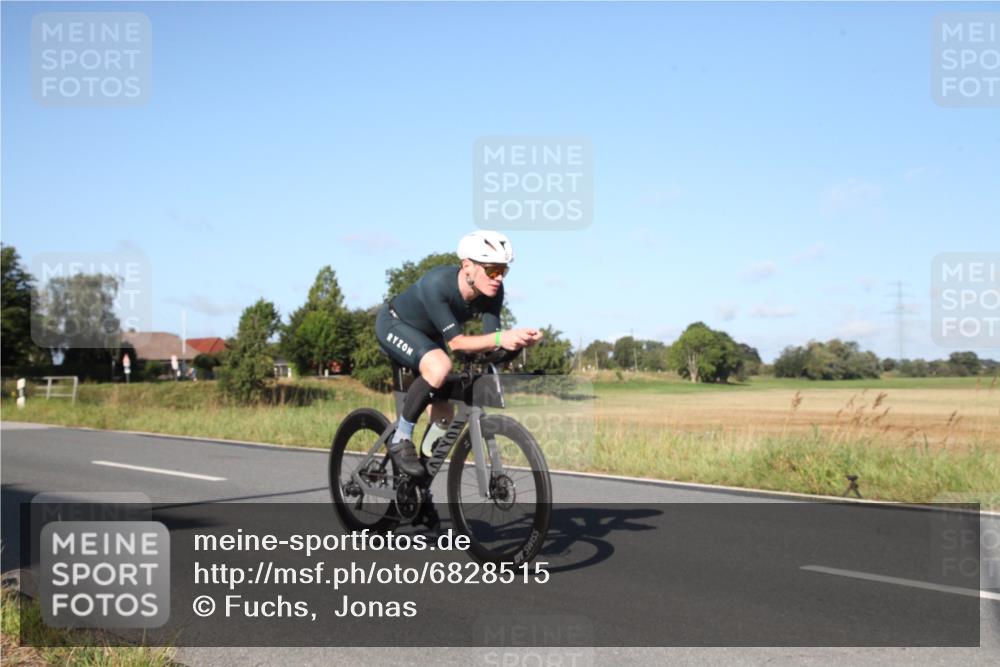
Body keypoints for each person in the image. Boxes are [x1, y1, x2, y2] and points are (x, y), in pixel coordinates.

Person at [375, 230, 543, 478]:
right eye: (492, 270)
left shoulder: (493, 293)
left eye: (503, 271)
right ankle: (401, 437)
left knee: (444, 416)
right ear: (467, 266)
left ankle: (417, 483)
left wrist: (518, 344)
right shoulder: (437, 284)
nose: (498, 278)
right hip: (394, 323)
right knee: (440, 366)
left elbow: (492, 345)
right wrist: (502, 338)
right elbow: (457, 344)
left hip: (429, 335)